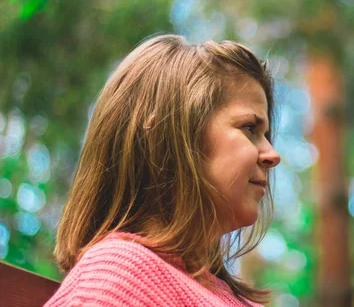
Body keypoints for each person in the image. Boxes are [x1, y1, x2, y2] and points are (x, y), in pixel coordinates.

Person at [44, 34, 281, 306]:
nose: (272, 155)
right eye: (249, 128)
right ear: (165, 137)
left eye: (267, 135)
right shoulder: (116, 279)